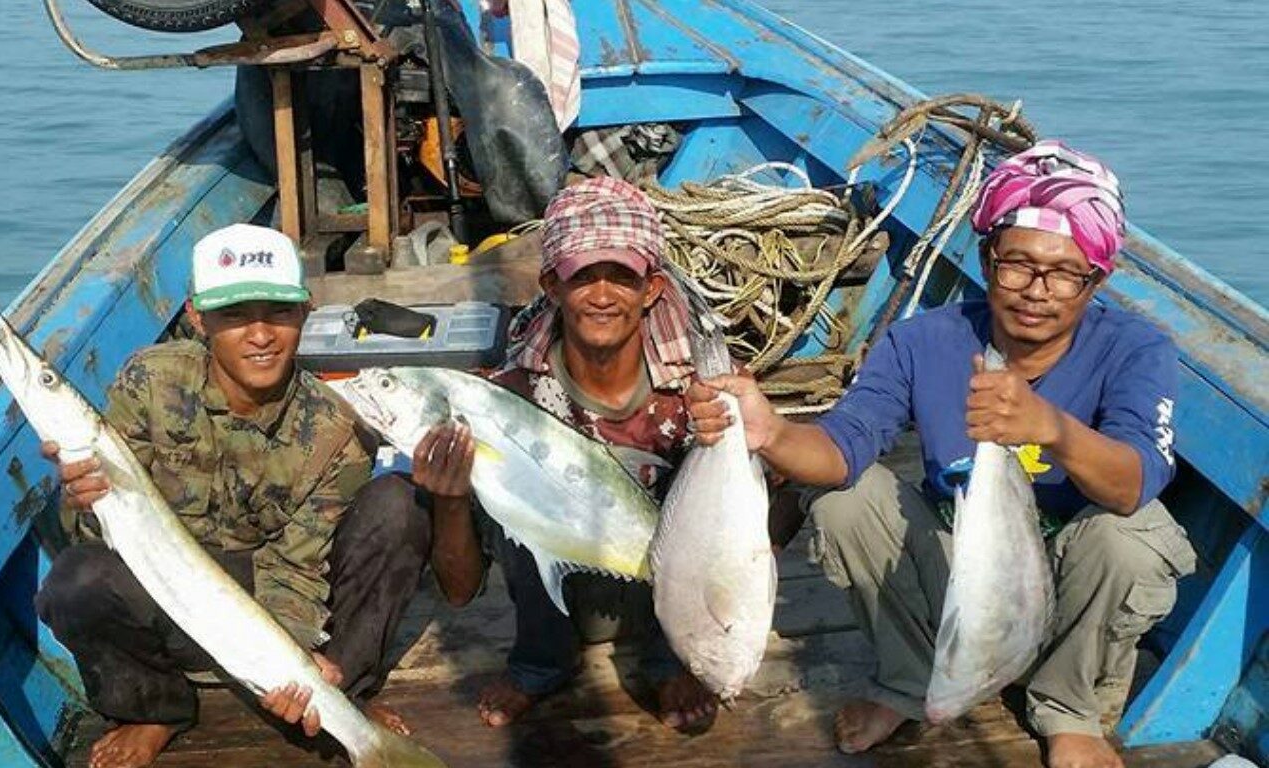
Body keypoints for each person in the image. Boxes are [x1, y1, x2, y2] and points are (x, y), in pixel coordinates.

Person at [686, 142, 1196, 768]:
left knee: (1134, 536)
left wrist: (1050, 428)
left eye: (1065, 273)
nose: (1037, 291)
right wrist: (773, 433)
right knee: (846, 503)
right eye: (1017, 265)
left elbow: (1133, 481)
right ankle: (907, 680)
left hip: (1073, 567)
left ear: (1099, 277)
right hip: (959, 559)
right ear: (987, 260)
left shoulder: (1138, 349)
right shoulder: (921, 342)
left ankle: (1067, 707)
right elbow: (844, 447)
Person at [35, 224, 431, 768]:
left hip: (274, 607)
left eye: (279, 311)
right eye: (235, 315)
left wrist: (294, 667)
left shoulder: (335, 429)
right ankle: (157, 707)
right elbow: (99, 541)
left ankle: (344, 695)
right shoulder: (148, 384)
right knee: (73, 580)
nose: (261, 334)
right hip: (171, 596)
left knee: (399, 507)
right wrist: (82, 500)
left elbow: (296, 566)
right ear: (198, 318)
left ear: (306, 312)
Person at [416, 177, 720, 731]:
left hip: (672, 590)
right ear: (552, 287)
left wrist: (729, 436)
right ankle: (540, 660)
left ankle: (673, 656)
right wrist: (449, 499)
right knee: (514, 491)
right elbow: (458, 593)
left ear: (651, 289)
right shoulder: (510, 396)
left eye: (621, 277)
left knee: (738, 475)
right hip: (563, 592)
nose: (602, 296)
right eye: (583, 277)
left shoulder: (697, 385)